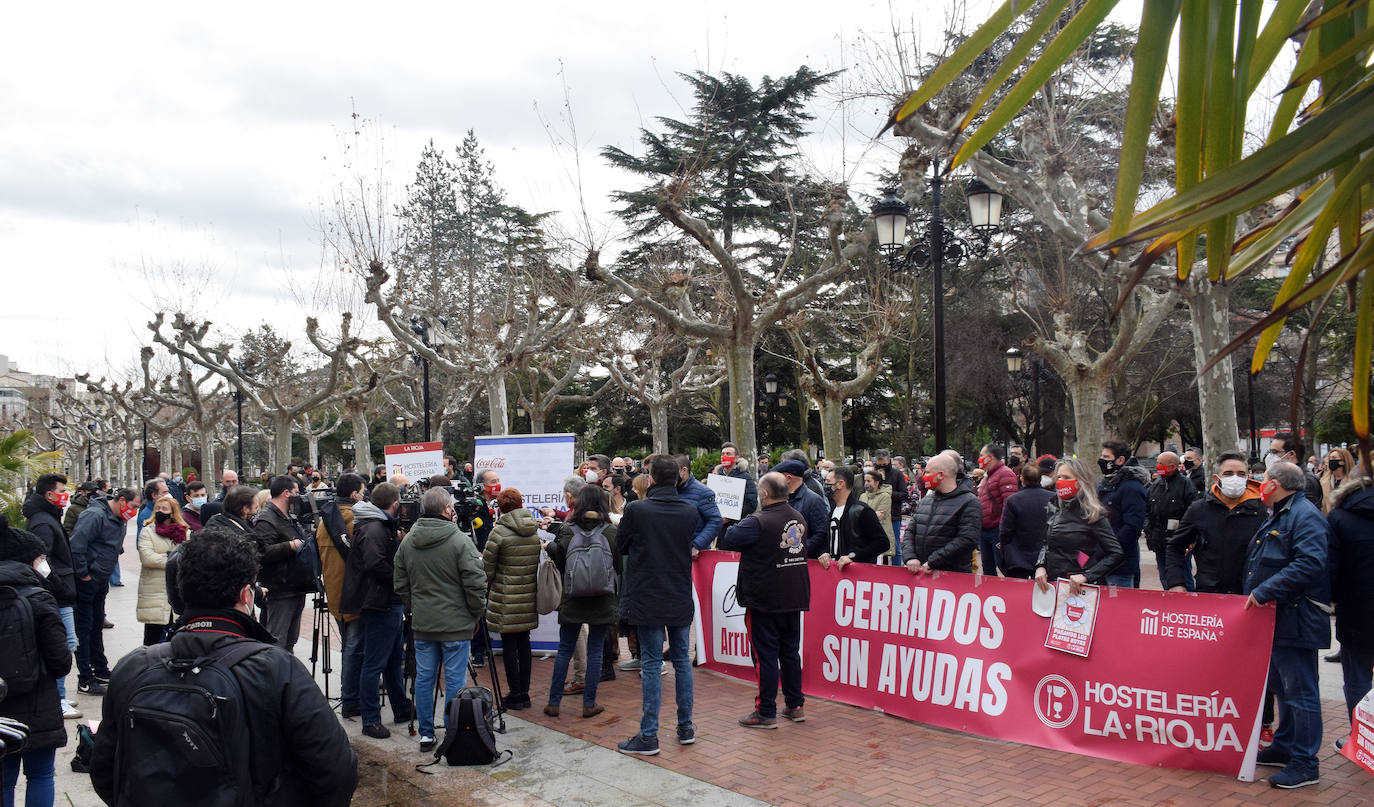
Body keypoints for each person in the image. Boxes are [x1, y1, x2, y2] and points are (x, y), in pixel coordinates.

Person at [89, 527, 357, 806]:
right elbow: (336, 771)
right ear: (246, 594)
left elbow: (106, 770)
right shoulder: (276, 669)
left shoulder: (132, 667)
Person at [1247, 461, 1331, 789]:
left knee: (1301, 692)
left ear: (1277, 484)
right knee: (1284, 688)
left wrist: (1265, 590)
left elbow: (1309, 563)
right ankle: (1284, 746)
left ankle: (1305, 762)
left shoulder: (1304, 515)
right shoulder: (1284, 512)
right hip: (1281, 618)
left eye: (1263, 480)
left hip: (1297, 618)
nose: (1258, 484)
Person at [393, 487, 487, 752]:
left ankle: (426, 733)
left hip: (424, 623)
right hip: (456, 625)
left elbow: (400, 583)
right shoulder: (460, 541)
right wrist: (475, 611)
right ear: (448, 510)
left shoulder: (409, 541)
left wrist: (417, 606)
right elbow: (475, 582)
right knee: (455, 680)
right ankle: (454, 731)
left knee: (424, 678)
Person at [615, 455, 697, 756]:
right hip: (677, 593)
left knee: (652, 663)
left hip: (648, 594)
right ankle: (685, 726)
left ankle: (649, 735)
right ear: (676, 479)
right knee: (680, 661)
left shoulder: (637, 509)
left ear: (651, 479)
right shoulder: (689, 510)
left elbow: (621, 545)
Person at [717, 472, 809, 729]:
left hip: (765, 599)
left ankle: (766, 710)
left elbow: (728, 539)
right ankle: (795, 705)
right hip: (793, 597)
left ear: (765, 494)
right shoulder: (797, 517)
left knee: (765, 656)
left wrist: (727, 518)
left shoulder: (757, 521)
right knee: (790, 652)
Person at [0, 523, 72, 807]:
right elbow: (61, 661)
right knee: (41, 774)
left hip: (2, 709)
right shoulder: (40, 598)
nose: (44, 563)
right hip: (39, 704)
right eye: (40, 558)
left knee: (4, 779)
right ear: (28, 560)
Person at [544, 485, 622, 720]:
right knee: (596, 649)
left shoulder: (568, 529)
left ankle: (553, 703)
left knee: (565, 649)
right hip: (602, 597)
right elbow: (619, 565)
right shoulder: (610, 531)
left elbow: (560, 559)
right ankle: (589, 704)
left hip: (573, 596)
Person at [341, 481, 412, 740]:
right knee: (374, 663)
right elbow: (374, 563)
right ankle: (371, 719)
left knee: (393, 659)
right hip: (380, 601)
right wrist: (399, 580)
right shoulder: (375, 527)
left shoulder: (375, 525)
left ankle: (401, 707)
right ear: (395, 503)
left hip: (383, 600)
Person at [68, 486, 141, 695]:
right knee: (84, 627)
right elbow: (77, 546)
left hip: (100, 578)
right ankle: (85, 677)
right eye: (134, 506)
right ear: (122, 501)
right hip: (88, 579)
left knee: (96, 624)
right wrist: (84, 574)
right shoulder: (94, 515)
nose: (134, 511)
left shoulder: (119, 518)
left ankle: (99, 669)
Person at [1164, 451, 1267, 596]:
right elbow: (1175, 547)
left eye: (1241, 474)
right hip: (1210, 594)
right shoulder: (1199, 509)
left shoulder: (1263, 511)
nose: (1235, 478)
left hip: (1251, 595)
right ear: (1216, 478)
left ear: (1247, 477)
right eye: (1228, 473)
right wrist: (1176, 583)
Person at [22, 473, 80, 718]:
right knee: (63, 644)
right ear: (49, 494)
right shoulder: (44, 522)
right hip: (56, 595)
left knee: (66, 643)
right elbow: (40, 561)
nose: (65, 494)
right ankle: (57, 699)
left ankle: (60, 696)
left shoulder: (47, 517)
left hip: (59, 592)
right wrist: (59, 587)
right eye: (62, 490)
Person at [480, 487, 540, 712]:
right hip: (527, 595)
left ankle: (515, 693)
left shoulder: (499, 532)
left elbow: (487, 569)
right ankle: (524, 693)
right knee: (524, 643)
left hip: (505, 596)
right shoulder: (533, 530)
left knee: (509, 646)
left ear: (501, 507)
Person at [1327, 472, 1373, 752]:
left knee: (1357, 678)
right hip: (1357, 608)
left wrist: (1333, 599)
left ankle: (1363, 740)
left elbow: (1330, 569)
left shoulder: (1341, 517)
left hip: (1357, 610)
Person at [1034, 458, 1123, 594]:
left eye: (1066, 477)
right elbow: (1047, 543)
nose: (1060, 481)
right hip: (1053, 584)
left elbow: (1116, 553)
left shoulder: (1092, 512)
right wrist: (1040, 565)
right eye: (1058, 477)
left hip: (1080, 589)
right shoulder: (1054, 506)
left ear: (1080, 482)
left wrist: (1087, 576)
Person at [317, 472, 364, 718]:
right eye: (362, 492)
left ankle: (351, 696)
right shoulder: (353, 518)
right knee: (354, 648)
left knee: (350, 646)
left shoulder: (325, 519)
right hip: (353, 594)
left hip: (335, 593)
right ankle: (351, 699)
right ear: (355, 494)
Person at [252, 475, 312, 651]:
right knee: (277, 641)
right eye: (296, 492)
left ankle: (286, 674)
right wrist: (290, 546)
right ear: (286, 493)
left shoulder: (289, 516)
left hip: (295, 585)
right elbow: (260, 552)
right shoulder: (267, 519)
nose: (299, 496)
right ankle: (274, 675)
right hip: (280, 588)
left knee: (289, 640)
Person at [900, 453, 979, 574]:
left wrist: (933, 561)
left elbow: (967, 539)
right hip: (923, 576)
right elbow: (910, 531)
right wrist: (910, 557)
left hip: (952, 577)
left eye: (928, 472)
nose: (924, 477)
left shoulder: (969, 502)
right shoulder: (926, 501)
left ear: (940, 475)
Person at [136, 495, 185, 645]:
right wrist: (173, 557)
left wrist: (166, 555)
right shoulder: (147, 532)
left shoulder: (185, 533)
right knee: (152, 639)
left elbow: (188, 559)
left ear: (173, 513)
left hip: (177, 593)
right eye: (158, 508)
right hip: (155, 592)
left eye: (164, 509)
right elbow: (148, 558)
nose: (160, 511)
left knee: (176, 640)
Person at [1097, 441, 1148, 587]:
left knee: (1118, 605)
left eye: (1106, 457)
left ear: (1120, 460)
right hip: (1101, 562)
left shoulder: (1132, 488)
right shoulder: (1106, 485)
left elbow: (1132, 527)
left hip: (1120, 566)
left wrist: (1110, 549)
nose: (1102, 460)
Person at [1145, 451, 1196, 589]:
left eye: (1161, 463)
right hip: (1158, 541)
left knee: (1183, 576)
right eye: (1158, 463)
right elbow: (1147, 510)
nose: (1158, 466)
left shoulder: (1185, 484)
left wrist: (1191, 538)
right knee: (1164, 575)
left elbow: (1192, 512)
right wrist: (1149, 532)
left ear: (1172, 466)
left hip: (1179, 541)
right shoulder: (1155, 485)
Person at [820, 466, 889, 567]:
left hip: (857, 576)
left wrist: (853, 556)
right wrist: (824, 552)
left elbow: (882, 543)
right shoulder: (833, 510)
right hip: (835, 573)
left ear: (840, 484)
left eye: (828, 481)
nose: (825, 485)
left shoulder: (862, 511)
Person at [998, 463, 1055, 579]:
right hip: (1045, 557)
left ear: (1021, 478)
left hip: (1018, 557)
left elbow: (1005, 531)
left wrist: (1005, 554)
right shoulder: (1053, 498)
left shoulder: (1013, 500)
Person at [975, 444, 1019, 576]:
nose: (979, 459)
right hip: (985, 530)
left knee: (1004, 566)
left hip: (997, 530)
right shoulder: (988, 476)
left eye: (982, 456)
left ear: (990, 457)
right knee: (988, 568)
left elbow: (1010, 503)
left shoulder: (1005, 473)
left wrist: (1003, 528)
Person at [773, 458, 829, 556]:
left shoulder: (813, 500)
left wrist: (798, 550)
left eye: (777, 478)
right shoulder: (784, 498)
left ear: (788, 478)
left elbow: (821, 533)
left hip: (804, 561)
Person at [675, 454, 723, 552]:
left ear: (684, 470)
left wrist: (697, 545)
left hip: (693, 554)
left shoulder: (703, 492)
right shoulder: (670, 489)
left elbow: (715, 521)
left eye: (673, 472)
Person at [1269, 432, 1323, 509]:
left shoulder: (1307, 480)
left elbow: (1306, 514)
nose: (1270, 456)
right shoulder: (1283, 477)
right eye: (1270, 452)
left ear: (1291, 454)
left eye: (1275, 452)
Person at [859, 469, 895, 562]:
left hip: (881, 536)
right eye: (865, 481)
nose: (866, 483)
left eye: (868, 481)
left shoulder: (885, 496)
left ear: (876, 483)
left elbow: (879, 516)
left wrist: (863, 517)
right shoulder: (862, 496)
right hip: (864, 538)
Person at [719, 442, 759, 521]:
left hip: (737, 525)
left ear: (736, 458)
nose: (724, 456)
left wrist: (729, 518)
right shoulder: (717, 476)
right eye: (723, 454)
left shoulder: (745, 477)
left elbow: (752, 504)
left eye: (728, 454)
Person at [1319, 447, 1356, 515]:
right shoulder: (1323, 481)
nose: (1331, 460)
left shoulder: (1353, 482)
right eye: (1330, 458)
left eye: (1334, 458)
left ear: (1343, 462)